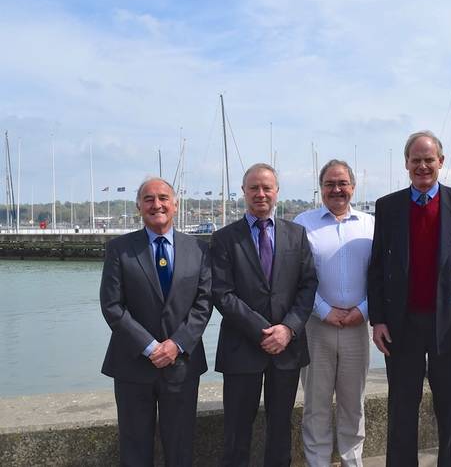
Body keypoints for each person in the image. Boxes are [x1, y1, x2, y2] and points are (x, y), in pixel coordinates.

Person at [368, 131, 451, 467]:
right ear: (406, 164)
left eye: (429, 159)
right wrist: (378, 319)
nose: (423, 166)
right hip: (402, 324)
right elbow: (377, 268)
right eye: (416, 160)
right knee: (401, 407)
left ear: (441, 162)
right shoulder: (388, 207)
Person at [100, 177, 212, 467]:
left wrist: (176, 344)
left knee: (181, 448)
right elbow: (112, 306)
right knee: (134, 449)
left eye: (163, 198)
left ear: (175, 205)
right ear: (139, 206)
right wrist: (150, 347)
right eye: (148, 199)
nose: (156, 204)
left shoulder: (199, 249)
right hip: (132, 365)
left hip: (182, 364)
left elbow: (204, 303)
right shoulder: (119, 249)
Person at [211, 163, 318, 467]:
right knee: (236, 429)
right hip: (241, 347)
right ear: (243, 192)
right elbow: (222, 293)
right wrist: (262, 331)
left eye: (266, 187)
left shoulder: (296, 235)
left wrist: (288, 329)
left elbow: (308, 285)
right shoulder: (223, 239)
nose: (260, 194)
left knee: (281, 428)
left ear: (276, 192)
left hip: (287, 348)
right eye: (254, 188)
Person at [294, 160, 374, 466]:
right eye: (329, 184)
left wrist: (363, 311)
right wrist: (324, 310)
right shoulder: (304, 223)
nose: (336, 189)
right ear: (321, 188)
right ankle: (318, 462)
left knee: (353, 403)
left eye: (342, 183)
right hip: (316, 326)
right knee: (316, 402)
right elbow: (296, 278)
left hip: (357, 326)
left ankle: (352, 460)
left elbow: (379, 278)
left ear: (353, 187)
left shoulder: (370, 225)